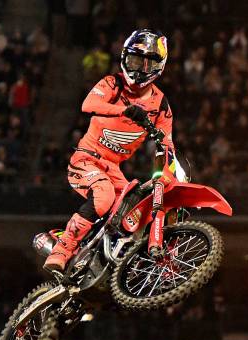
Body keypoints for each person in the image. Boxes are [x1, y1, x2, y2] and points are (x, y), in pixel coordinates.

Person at [44, 29, 174, 272]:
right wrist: (125, 110)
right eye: (136, 61)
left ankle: (100, 256)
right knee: (103, 196)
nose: (141, 69)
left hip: (113, 168)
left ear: (159, 66)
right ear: (125, 58)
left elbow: (166, 142)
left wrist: (169, 168)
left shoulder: (161, 104)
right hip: (87, 159)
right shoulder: (112, 82)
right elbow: (88, 104)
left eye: (148, 64)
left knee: (132, 208)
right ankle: (62, 247)